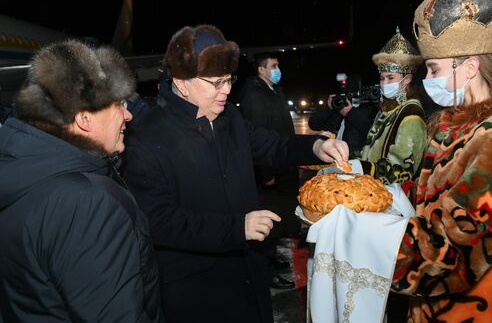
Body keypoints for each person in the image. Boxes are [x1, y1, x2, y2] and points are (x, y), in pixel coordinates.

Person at [120, 24, 349, 323]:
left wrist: (316, 147)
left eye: (228, 80)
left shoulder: (230, 118)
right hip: (198, 289)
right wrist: (235, 229)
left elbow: (272, 145)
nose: (226, 90)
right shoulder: (147, 138)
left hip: (249, 271)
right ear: (182, 81)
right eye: (215, 82)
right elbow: (160, 221)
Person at [391, 0, 492, 321]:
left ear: (469, 67)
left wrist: (373, 241)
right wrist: (387, 198)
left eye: (434, 69)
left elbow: (461, 249)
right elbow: (436, 197)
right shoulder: (450, 127)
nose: (426, 79)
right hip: (435, 306)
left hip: (481, 307)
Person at [0, 40, 163, 322]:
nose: (128, 114)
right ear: (84, 118)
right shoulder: (88, 204)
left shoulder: (23, 171)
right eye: (117, 105)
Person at [238, 52, 297, 289]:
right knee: (267, 220)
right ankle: (266, 270)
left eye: (278, 65)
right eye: (273, 66)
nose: (277, 69)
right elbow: (258, 137)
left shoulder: (272, 92)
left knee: (279, 216)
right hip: (269, 170)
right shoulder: (254, 96)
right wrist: (266, 173)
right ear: (261, 70)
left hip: (281, 164)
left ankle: (272, 256)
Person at [360, 27, 427, 186]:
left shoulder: (411, 114)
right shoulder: (389, 108)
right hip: (372, 190)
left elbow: (401, 172)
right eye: (382, 78)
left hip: (392, 200)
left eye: (390, 78)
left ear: (407, 79)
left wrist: (360, 168)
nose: (384, 83)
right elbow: (371, 154)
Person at [308, 73, 377, 158]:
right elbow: (313, 124)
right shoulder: (338, 107)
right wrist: (328, 108)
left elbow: (372, 131)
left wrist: (350, 113)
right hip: (331, 157)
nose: (351, 95)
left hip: (354, 160)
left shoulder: (370, 109)